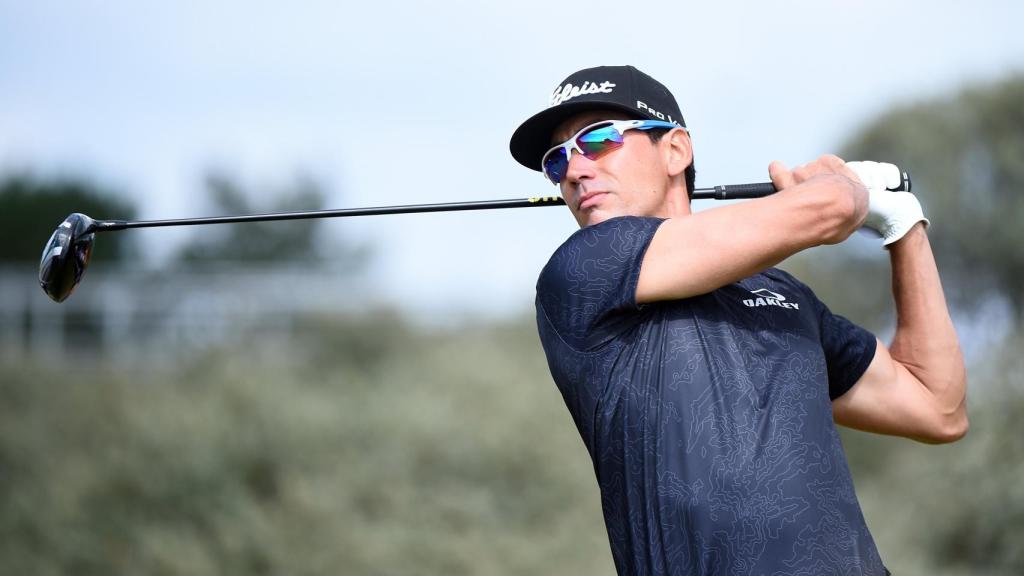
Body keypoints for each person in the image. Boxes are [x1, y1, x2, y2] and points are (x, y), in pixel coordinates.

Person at [508, 65, 967, 576]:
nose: (574, 169)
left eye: (596, 140)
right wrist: (842, 188)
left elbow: (937, 406)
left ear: (676, 151)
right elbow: (832, 207)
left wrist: (904, 225)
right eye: (557, 159)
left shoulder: (784, 294)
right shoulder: (584, 268)